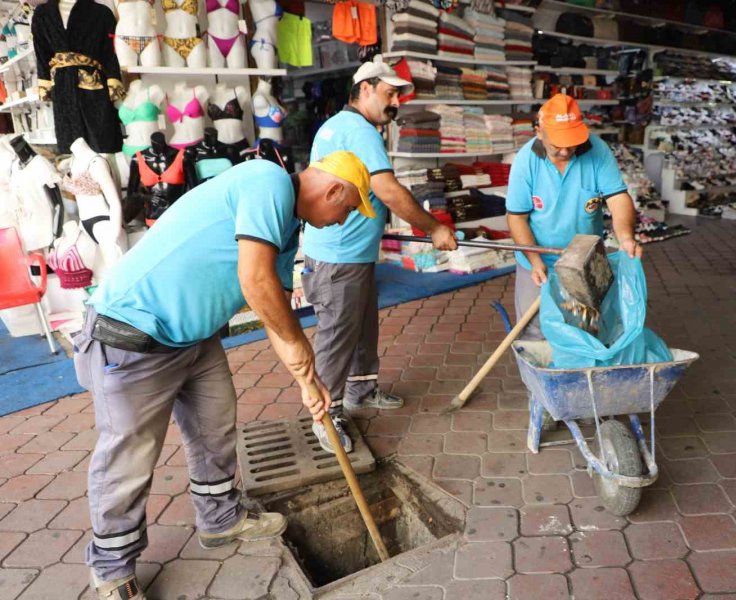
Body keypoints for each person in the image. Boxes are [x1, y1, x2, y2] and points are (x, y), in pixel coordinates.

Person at [74, 153, 374, 600]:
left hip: (193, 338)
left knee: (215, 428)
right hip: (133, 333)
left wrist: (308, 383)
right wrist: (299, 349)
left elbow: (273, 314)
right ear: (333, 191)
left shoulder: (288, 230)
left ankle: (220, 519)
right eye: (347, 209)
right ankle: (112, 569)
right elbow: (255, 280)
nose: (342, 220)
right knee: (128, 457)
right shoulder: (267, 180)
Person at [302, 56, 458, 454]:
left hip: (350, 254)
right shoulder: (358, 130)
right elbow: (386, 190)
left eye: (399, 96)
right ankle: (327, 413)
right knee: (338, 336)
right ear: (365, 88)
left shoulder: (340, 125)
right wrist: (434, 228)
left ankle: (361, 391)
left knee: (361, 326)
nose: (396, 103)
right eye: (390, 94)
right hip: (338, 258)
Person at [506, 93, 642, 340]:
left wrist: (625, 237)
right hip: (538, 258)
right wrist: (535, 261)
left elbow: (618, 199)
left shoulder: (597, 151)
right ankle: (541, 379)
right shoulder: (526, 161)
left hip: (585, 258)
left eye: (572, 142)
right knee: (534, 330)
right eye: (557, 144)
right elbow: (517, 218)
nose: (567, 150)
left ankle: (580, 377)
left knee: (585, 327)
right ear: (539, 131)